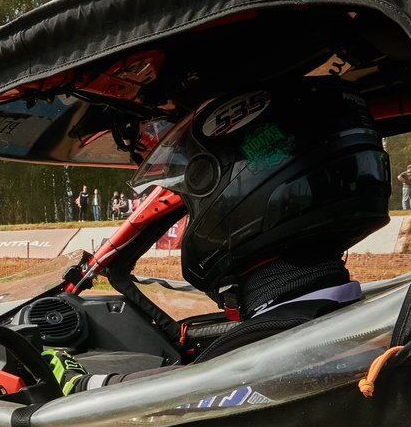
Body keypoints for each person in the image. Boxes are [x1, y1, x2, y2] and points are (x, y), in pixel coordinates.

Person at [45, 77, 391, 394]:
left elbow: (167, 397)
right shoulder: (367, 321)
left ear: (236, 199)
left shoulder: (256, 358)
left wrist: (79, 382)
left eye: (191, 202)